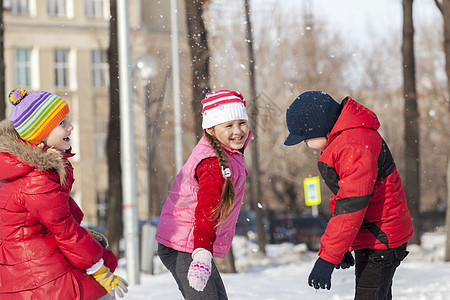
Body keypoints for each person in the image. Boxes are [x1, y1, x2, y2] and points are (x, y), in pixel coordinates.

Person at [0, 88, 128, 300]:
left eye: (67, 120)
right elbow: (64, 229)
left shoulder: (30, 170)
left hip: (27, 270)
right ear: (40, 134)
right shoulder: (38, 179)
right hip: (39, 277)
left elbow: (48, 224)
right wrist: (98, 266)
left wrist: (88, 241)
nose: (71, 127)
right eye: (61, 124)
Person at [284, 91, 413, 300]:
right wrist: (342, 244)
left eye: (305, 138)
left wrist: (328, 257)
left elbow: (351, 205)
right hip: (376, 236)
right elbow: (344, 198)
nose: (305, 144)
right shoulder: (347, 141)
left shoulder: (352, 144)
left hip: (381, 239)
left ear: (319, 128)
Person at [156, 90, 251, 299]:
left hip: (194, 244)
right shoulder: (212, 163)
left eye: (241, 123)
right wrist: (201, 255)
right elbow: (207, 210)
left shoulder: (228, 154)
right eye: (228, 125)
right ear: (210, 128)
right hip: (185, 246)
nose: (238, 131)